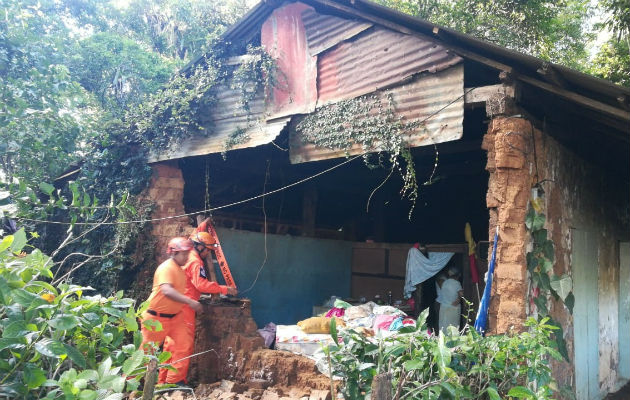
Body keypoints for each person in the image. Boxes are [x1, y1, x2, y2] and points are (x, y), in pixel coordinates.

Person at [159, 226, 238, 384]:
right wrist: (225, 289)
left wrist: (205, 223)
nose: (207, 253)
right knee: (183, 345)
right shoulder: (195, 261)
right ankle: (174, 382)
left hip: (174, 306)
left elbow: (196, 233)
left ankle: (162, 382)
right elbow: (201, 285)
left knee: (170, 345)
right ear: (200, 247)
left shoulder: (186, 256)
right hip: (185, 307)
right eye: (207, 250)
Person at [140, 237, 202, 385]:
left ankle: (174, 382)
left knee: (184, 345)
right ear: (173, 253)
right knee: (147, 353)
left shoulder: (180, 270)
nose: (187, 257)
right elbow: (167, 290)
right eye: (183, 254)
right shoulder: (166, 268)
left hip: (175, 317)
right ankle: (133, 383)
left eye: (188, 254)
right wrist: (190, 301)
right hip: (155, 318)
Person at [437, 266, 463, 333]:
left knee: (443, 325)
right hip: (453, 308)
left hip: (444, 307)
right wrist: (459, 298)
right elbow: (461, 294)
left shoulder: (445, 283)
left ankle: (442, 341)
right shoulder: (457, 283)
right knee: (452, 327)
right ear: (458, 275)